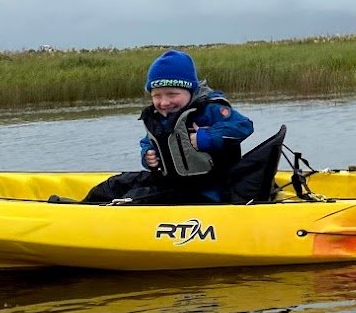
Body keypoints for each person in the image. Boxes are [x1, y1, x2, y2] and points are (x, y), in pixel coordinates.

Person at [78, 49, 257, 206]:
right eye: (157, 96)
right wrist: (147, 155)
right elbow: (147, 142)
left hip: (207, 191)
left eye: (172, 94)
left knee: (136, 198)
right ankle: (75, 210)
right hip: (169, 182)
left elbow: (243, 126)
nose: (164, 102)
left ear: (190, 91)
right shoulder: (158, 117)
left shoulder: (210, 110)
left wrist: (206, 137)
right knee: (114, 185)